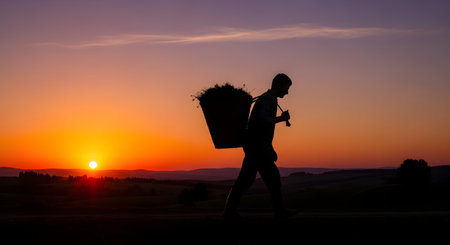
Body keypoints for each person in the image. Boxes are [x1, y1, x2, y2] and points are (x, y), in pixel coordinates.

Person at [223, 73, 296, 219]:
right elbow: (262, 121)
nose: (287, 92)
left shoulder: (268, 99)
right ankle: (280, 212)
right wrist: (281, 119)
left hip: (255, 147)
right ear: (279, 85)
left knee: (246, 180)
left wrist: (269, 148)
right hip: (258, 148)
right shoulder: (268, 99)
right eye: (286, 88)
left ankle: (229, 212)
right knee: (272, 179)